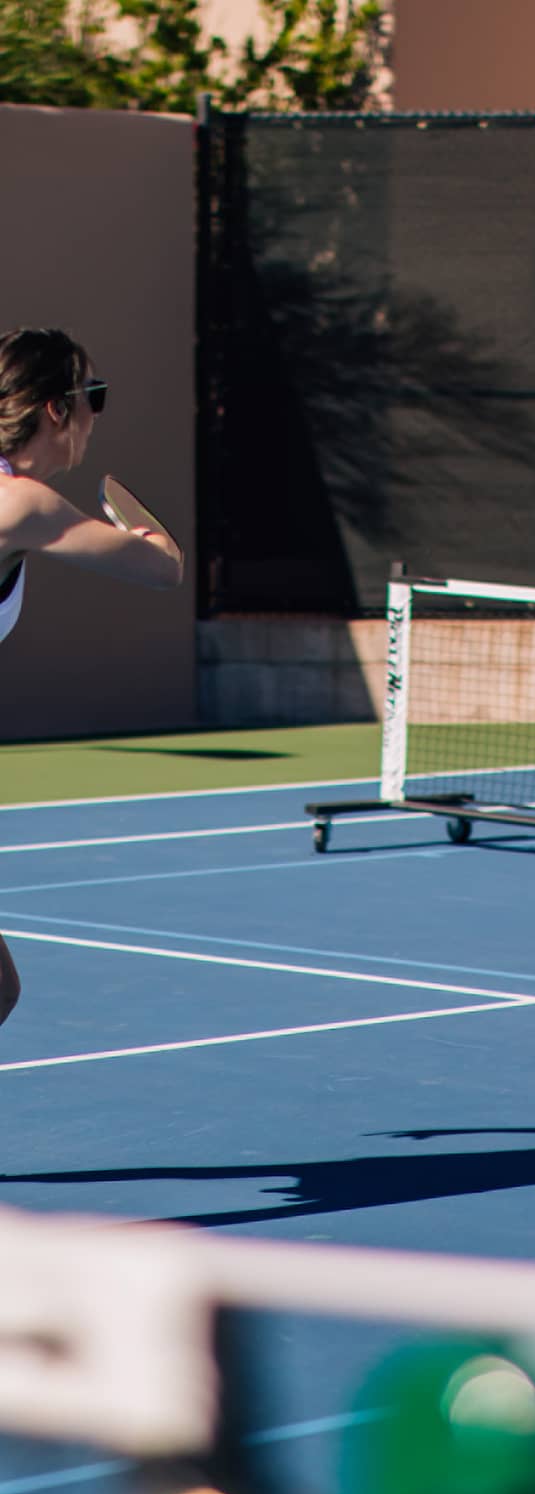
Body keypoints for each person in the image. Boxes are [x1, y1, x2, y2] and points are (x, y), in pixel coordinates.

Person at [0, 327, 183, 1025]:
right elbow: (163, 569)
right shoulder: (22, 505)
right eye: (92, 396)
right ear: (55, 409)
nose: (93, 417)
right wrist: (150, 532)